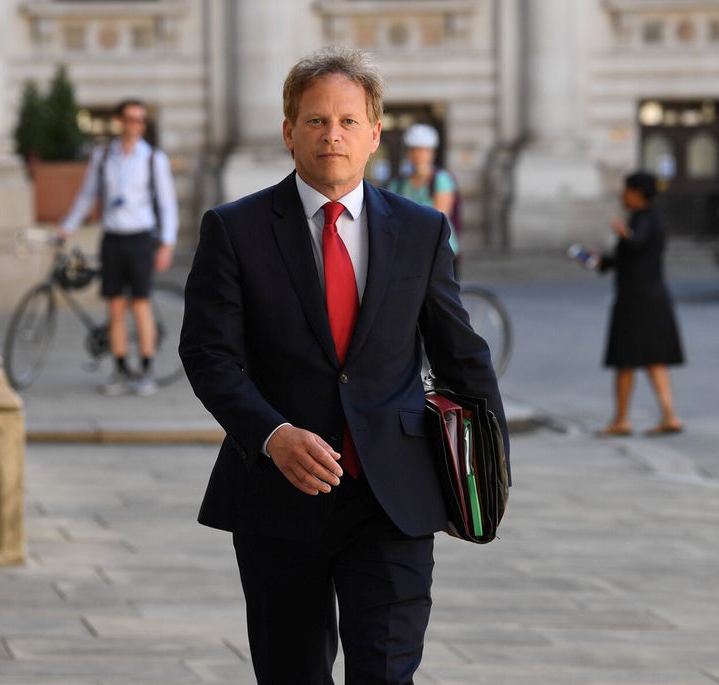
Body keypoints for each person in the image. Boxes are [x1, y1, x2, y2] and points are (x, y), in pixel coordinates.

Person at [179, 46, 508, 684]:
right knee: (291, 673)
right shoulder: (234, 229)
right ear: (288, 132)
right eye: (316, 120)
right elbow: (208, 354)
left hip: (394, 498)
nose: (333, 135)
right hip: (280, 494)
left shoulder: (421, 230)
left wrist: (487, 474)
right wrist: (272, 435)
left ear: (374, 133)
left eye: (348, 121)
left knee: (386, 674)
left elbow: (461, 352)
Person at [59, 99, 179, 397]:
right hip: (112, 237)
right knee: (114, 306)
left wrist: (167, 242)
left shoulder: (153, 159)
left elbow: (166, 203)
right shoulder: (103, 157)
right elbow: (87, 194)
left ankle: (146, 369)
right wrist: (68, 226)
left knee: (140, 303)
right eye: (129, 119)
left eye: (140, 120)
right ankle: (121, 368)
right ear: (119, 121)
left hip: (140, 238)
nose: (134, 125)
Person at [597, 171, 685, 436]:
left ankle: (622, 419)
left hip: (636, 300)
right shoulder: (646, 220)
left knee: (626, 360)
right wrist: (597, 261)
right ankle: (668, 415)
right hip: (651, 298)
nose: (623, 196)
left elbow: (636, 244)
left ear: (638, 193)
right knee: (653, 359)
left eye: (627, 190)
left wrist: (625, 235)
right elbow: (623, 258)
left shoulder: (645, 220)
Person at [387, 123, 461, 260]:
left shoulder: (441, 179)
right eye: (414, 150)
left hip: (440, 252)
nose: (419, 155)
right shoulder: (398, 183)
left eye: (424, 150)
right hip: (410, 253)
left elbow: (439, 218)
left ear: (432, 153)